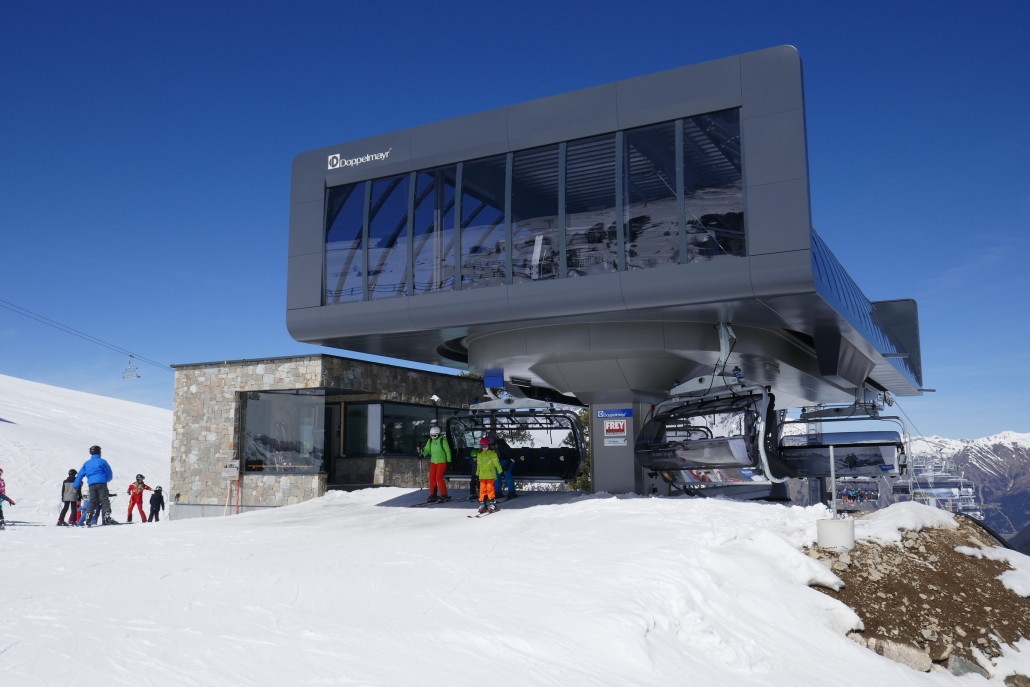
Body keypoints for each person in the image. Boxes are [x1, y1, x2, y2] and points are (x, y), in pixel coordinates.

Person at [72, 445, 116, 526]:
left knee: (92, 500)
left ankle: (89, 515)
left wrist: (75, 486)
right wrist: (108, 479)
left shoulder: (87, 463)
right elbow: (109, 472)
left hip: (91, 484)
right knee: (104, 499)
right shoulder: (102, 461)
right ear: (99, 452)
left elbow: (80, 475)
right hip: (102, 483)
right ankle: (106, 515)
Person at [420, 425, 452, 503]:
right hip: (433, 462)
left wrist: (449, 461)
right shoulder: (430, 441)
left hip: (442, 462)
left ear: (438, 434)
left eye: (435, 435)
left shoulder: (443, 441)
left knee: (439, 478)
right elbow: (427, 449)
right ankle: (433, 494)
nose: (433, 437)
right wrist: (423, 455)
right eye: (431, 435)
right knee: (431, 478)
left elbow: (448, 451)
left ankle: (444, 494)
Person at [475, 437, 503, 514]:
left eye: (485, 446)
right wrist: (477, 474)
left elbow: (497, 464)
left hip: (490, 475)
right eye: (482, 446)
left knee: (490, 489)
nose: (484, 448)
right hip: (482, 476)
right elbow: (478, 465)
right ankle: (483, 504)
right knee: (482, 490)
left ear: (489, 445)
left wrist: (500, 471)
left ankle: (492, 503)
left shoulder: (492, 454)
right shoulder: (479, 454)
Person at [492, 436, 518, 500]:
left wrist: (507, 465)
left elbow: (511, 457)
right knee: (497, 475)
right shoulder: (495, 449)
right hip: (501, 461)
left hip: (509, 461)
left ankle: (512, 491)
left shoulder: (504, 448)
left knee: (507, 473)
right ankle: (498, 492)